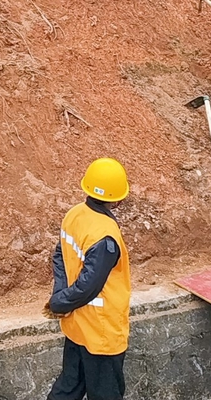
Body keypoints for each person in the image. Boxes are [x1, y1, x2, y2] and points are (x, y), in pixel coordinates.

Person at [45, 157, 132, 400]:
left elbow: (60, 255)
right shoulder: (106, 236)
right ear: (117, 198)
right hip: (101, 332)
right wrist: (60, 302)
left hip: (77, 325)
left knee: (69, 387)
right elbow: (89, 287)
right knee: (106, 394)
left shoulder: (74, 215)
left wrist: (60, 295)